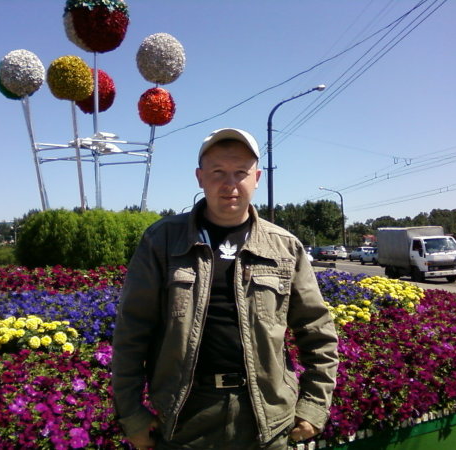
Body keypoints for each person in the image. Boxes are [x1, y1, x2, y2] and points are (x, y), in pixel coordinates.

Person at [112, 128, 339, 449]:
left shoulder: (285, 247)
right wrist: (132, 414)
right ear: (200, 178)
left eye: (241, 172)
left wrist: (314, 405)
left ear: (257, 178)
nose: (230, 184)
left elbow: (317, 330)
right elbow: (132, 331)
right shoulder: (162, 241)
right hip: (184, 418)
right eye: (218, 172)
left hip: (266, 420)